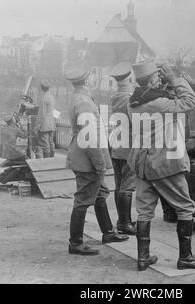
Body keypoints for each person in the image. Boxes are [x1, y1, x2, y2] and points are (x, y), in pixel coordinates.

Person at [128, 60, 195, 271]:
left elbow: (158, 98)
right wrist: (174, 79)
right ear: (154, 79)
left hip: (142, 163)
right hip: (164, 163)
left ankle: (143, 258)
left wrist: (164, 87)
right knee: (185, 208)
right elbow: (190, 101)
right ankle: (186, 258)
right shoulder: (160, 103)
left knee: (144, 212)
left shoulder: (134, 102)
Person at [65, 60, 128, 256]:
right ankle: (75, 243)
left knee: (100, 194)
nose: (94, 78)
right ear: (86, 79)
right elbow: (90, 139)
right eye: (92, 75)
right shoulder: (83, 102)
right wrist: (100, 164)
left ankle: (108, 232)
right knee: (83, 200)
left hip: (84, 157)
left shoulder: (79, 97)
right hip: (87, 160)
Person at [160, 71, 195, 223]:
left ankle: (168, 212)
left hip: (163, 144)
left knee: (165, 177)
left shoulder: (158, 100)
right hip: (180, 144)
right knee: (180, 177)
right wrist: (189, 81)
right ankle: (179, 210)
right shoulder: (184, 100)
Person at [109, 61, 137, 235]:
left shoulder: (114, 98)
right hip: (129, 149)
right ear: (130, 79)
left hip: (116, 147)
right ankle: (125, 223)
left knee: (119, 185)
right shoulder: (130, 99)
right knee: (127, 186)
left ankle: (121, 220)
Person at [34, 80, 56, 158]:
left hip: (45, 124)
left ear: (41, 88)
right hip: (52, 123)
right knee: (51, 142)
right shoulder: (51, 96)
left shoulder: (43, 98)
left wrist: (37, 127)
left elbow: (41, 114)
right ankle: (52, 160)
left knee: (45, 143)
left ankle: (47, 162)